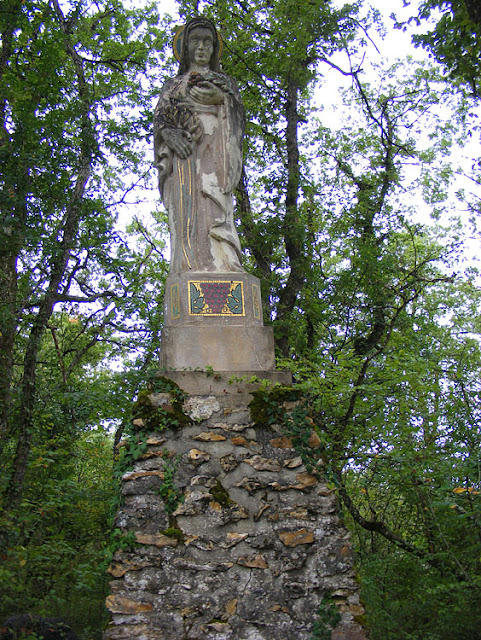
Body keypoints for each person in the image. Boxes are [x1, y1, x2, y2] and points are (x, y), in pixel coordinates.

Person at [154, 17, 245, 274]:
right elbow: (160, 119)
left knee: (217, 209)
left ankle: (224, 263)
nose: (202, 47)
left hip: (216, 154)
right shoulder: (173, 86)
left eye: (207, 41)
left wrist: (223, 101)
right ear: (186, 46)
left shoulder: (225, 85)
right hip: (184, 156)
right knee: (187, 215)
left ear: (215, 47)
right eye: (195, 41)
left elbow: (238, 121)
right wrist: (170, 135)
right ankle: (189, 266)